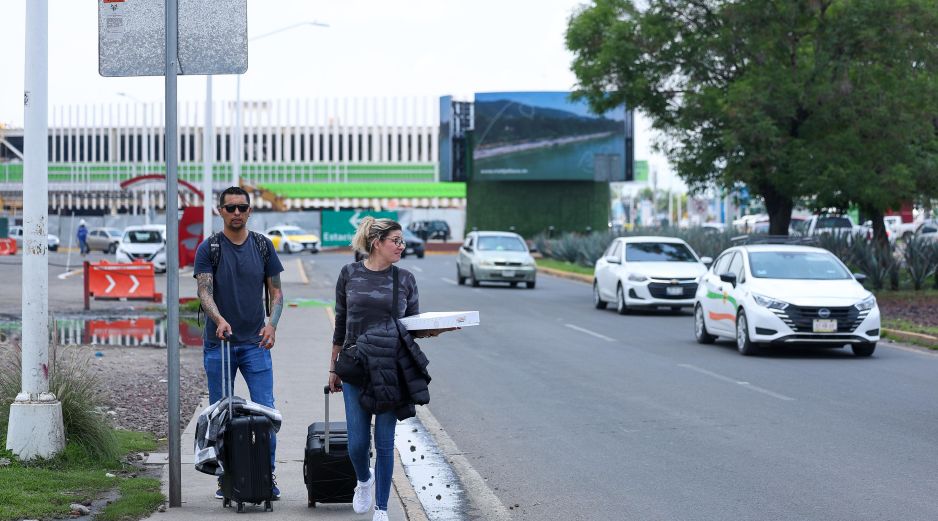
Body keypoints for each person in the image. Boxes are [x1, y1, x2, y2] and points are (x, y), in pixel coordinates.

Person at [329, 217, 453, 521]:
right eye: (395, 240)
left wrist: (436, 329)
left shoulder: (406, 279)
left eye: (402, 241)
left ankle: (382, 510)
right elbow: (341, 325)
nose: (401, 246)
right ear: (376, 243)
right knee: (357, 444)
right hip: (356, 368)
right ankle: (364, 480)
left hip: (389, 369)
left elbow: (412, 327)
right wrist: (332, 368)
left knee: (385, 443)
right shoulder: (349, 274)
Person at [194, 186, 285, 500]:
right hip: (219, 346)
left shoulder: (262, 246)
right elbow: (204, 292)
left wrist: (271, 325)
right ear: (220, 210)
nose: (236, 213)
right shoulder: (210, 248)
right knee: (222, 417)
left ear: (249, 211)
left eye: (242, 208)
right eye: (230, 208)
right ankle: (228, 479)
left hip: (256, 345)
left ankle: (266, 477)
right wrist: (219, 320)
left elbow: (276, 293)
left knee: (267, 413)